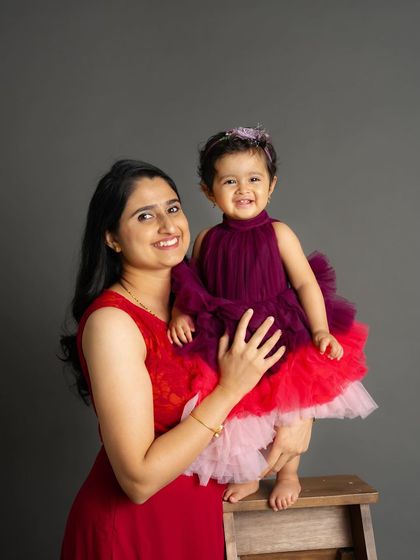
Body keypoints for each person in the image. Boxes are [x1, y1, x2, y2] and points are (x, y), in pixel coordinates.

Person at [60, 159, 313, 560]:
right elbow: (138, 481)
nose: (167, 225)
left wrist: (301, 414)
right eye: (145, 215)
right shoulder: (113, 323)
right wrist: (229, 390)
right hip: (133, 533)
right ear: (112, 237)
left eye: (173, 208)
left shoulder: (207, 299)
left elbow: (289, 338)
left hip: (204, 523)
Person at [168, 127, 378, 511]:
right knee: (238, 407)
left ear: (271, 185)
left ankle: (288, 473)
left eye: (253, 179)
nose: (243, 188)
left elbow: (305, 283)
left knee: (288, 404)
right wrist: (182, 312)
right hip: (228, 336)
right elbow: (191, 286)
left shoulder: (278, 233)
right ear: (208, 191)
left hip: (280, 330)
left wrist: (319, 330)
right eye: (229, 181)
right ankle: (247, 471)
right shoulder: (204, 239)